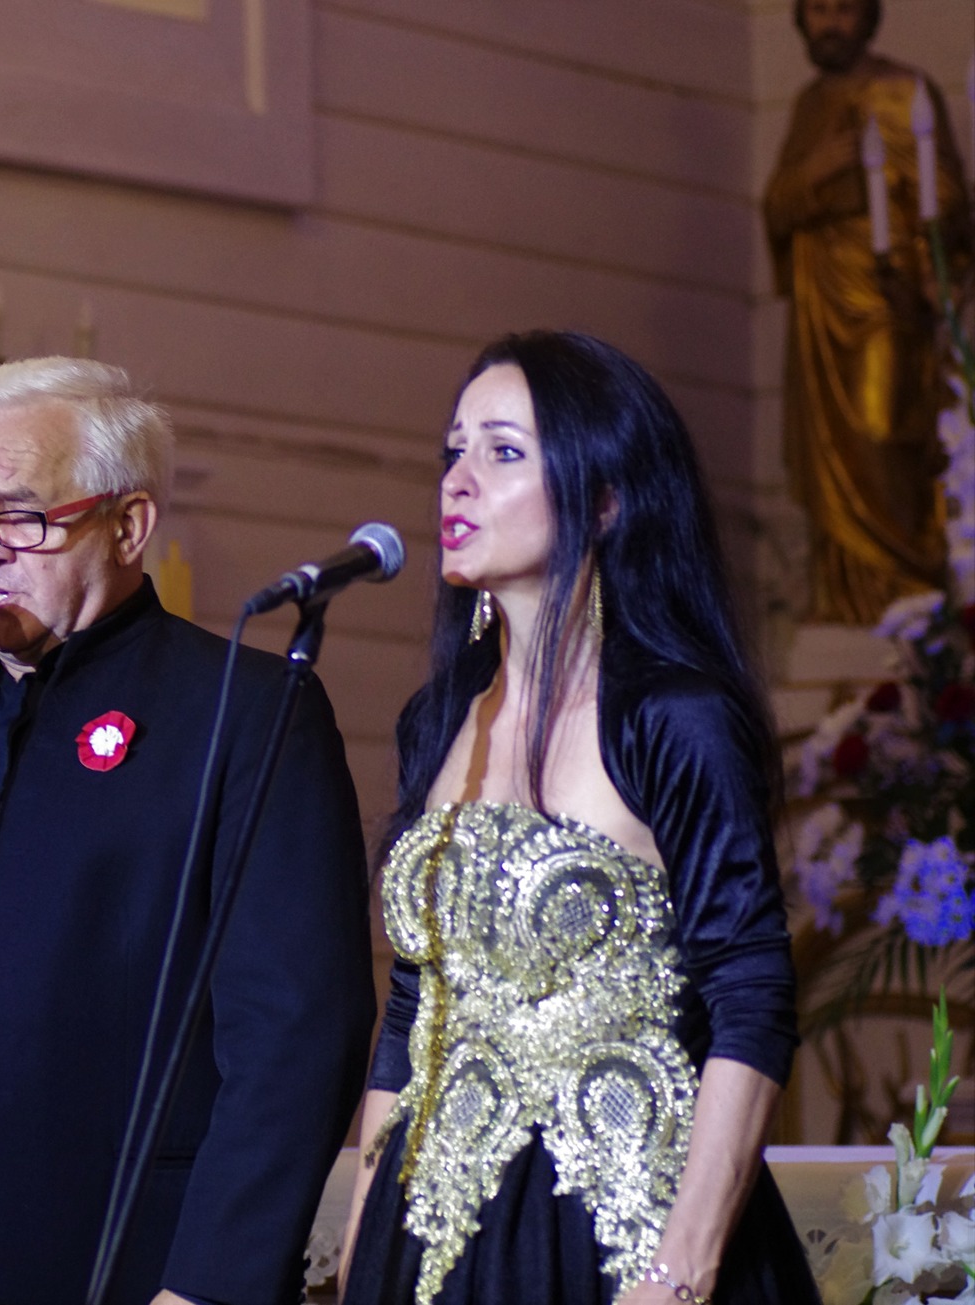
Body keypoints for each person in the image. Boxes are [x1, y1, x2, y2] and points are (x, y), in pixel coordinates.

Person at [0, 357, 373, 1305]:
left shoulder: (242, 714)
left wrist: (208, 1289)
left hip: (123, 1269)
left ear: (128, 525)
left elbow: (296, 1037)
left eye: (20, 516)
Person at [338, 332, 818, 1305]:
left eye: (503, 451)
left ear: (604, 500)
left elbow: (751, 991)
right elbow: (409, 1013)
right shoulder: (437, 718)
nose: (458, 480)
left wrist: (679, 1270)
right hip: (426, 1229)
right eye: (454, 450)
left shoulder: (670, 716)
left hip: (616, 1228)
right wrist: (354, 1257)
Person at [763, 0, 970, 624]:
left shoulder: (902, 91)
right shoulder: (809, 104)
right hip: (822, 308)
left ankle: (907, 589)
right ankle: (845, 600)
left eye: (844, 9)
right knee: (829, 454)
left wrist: (929, 269)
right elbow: (777, 209)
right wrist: (815, 172)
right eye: (818, 10)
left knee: (884, 432)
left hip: (886, 298)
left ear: (869, 17)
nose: (830, 23)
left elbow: (946, 202)